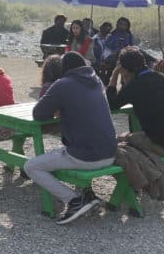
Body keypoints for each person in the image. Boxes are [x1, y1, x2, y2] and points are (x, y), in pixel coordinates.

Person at [24, 52, 117, 225]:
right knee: (64, 150)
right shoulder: (97, 81)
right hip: (111, 154)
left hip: (85, 157)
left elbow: (38, 114)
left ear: (65, 69)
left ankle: (74, 200)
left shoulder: (63, 84)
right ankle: (85, 194)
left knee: (31, 166)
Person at [106, 47, 164, 156]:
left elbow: (112, 104)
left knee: (120, 139)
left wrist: (115, 74)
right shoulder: (161, 78)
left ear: (125, 69)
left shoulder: (134, 86)